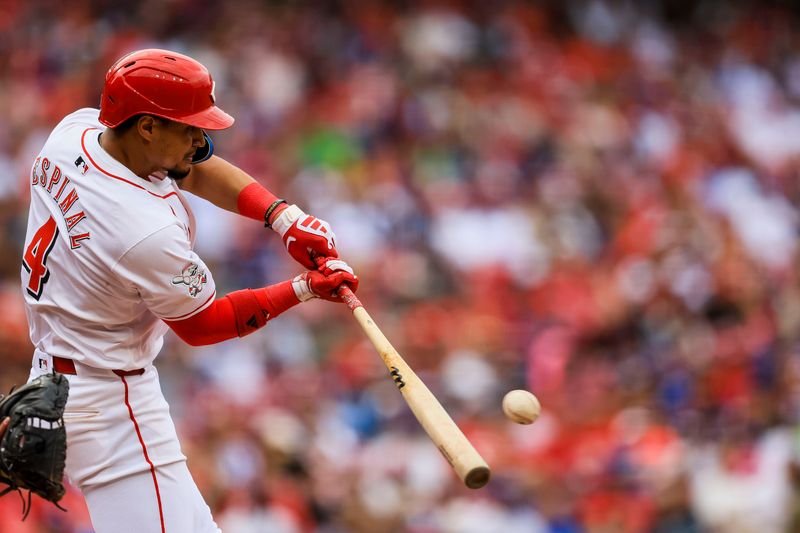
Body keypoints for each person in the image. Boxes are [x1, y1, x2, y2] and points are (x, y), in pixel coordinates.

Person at [22, 48, 358, 532]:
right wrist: (304, 289)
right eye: (188, 125)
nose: (201, 138)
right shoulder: (143, 232)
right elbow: (203, 326)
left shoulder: (72, 133)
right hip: (111, 400)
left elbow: (193, 166)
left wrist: (284, 218)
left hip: (62, 374)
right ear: (147, 126)